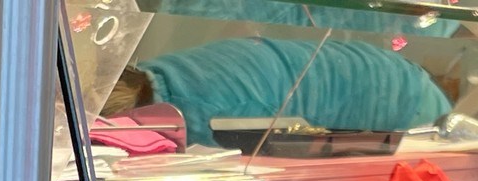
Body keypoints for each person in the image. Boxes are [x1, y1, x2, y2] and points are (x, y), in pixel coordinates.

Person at [104, 37, 452, 148]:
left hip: (403, 108)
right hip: (394, 76)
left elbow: (287, 167)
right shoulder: (151, 76)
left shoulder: (213, 113)